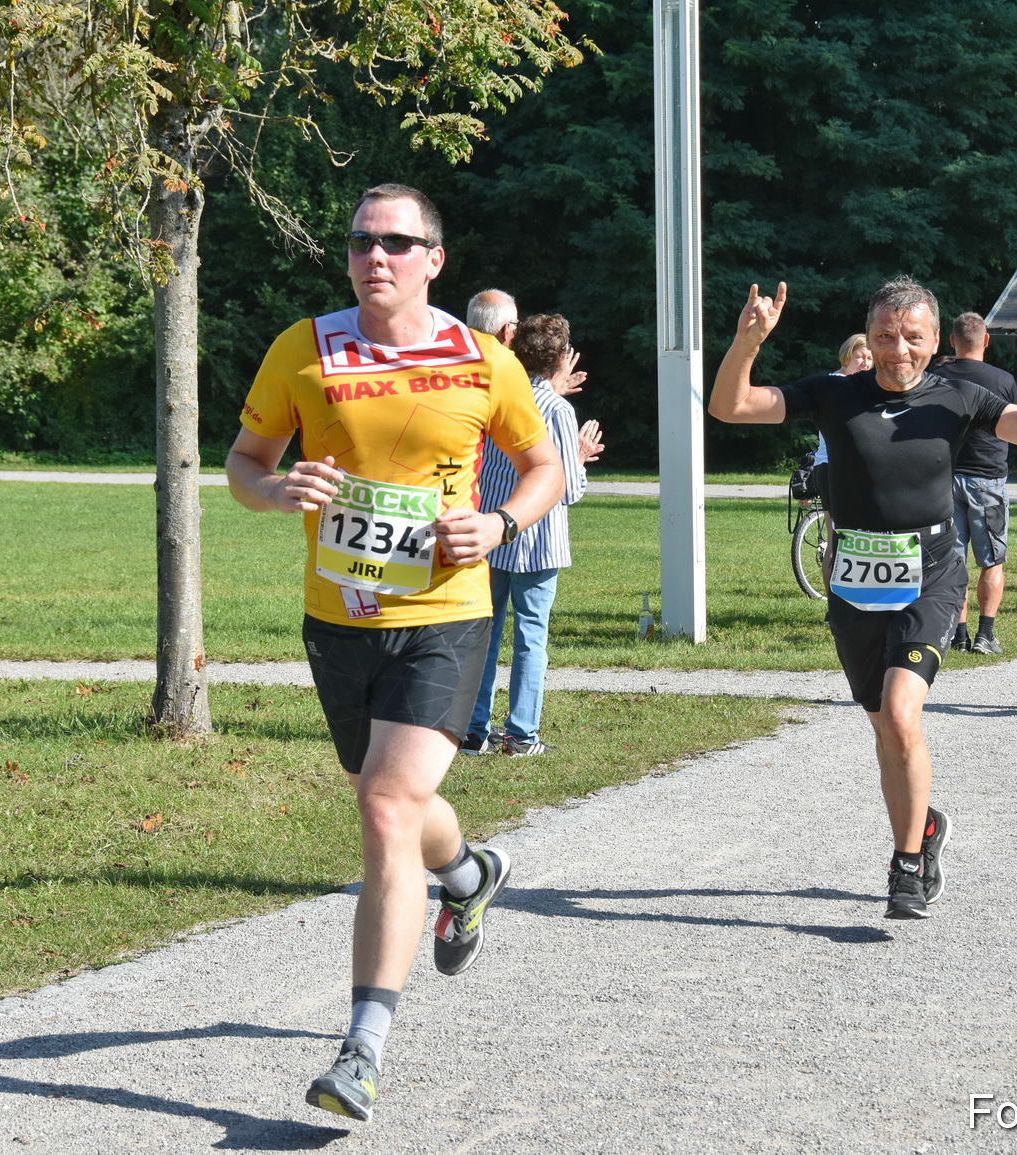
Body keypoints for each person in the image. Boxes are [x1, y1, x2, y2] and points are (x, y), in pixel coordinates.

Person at [227, 184, 565, 1123]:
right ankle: (470, 873)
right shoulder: (306, 347)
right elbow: (244, 463)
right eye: (362, 241)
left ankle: (362, 1049)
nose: (376, 256)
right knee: (392, 798)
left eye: (397, 242)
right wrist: (277, 487)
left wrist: (497, 524)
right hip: (338, 620)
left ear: (434, 260)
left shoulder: (480, 359)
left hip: (448, 612)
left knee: (384, 803)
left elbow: (545, 469)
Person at [709, 278, 1017, 920]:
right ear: (869, 337)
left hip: (931, 573)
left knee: (903, 715)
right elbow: (730, 406)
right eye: (885, 335)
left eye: (912, 336)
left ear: (935, 341)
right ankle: (925, 824)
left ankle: (906, 866)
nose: (897, 349)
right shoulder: (833, 394)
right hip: (852, 580)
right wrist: (747, 341)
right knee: (886, 727)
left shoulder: (961, 394)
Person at [463, 314, 604, 757]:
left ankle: (472, 730)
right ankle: (521, 734)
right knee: (531, 638)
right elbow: (567, 490)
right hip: (539, 541)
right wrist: (579, 456)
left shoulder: (499, 396)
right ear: (561, 358)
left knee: (484, 634)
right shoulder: (559, 411)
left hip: (494, 530)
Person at [938, 313, 1017, 655]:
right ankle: (985, 635)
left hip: (944, 478)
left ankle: (958, 634)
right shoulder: (1003, 379)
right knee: (991, 560)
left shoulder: (934, 376)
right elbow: (1015, 425)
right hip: (988, 478)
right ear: (986, 341)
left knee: (951, 561)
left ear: (951, 341)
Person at [809, 333, 873, 501]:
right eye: (859, 357)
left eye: (870, 358)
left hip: (854, 466)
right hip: (833, 466)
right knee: (841, 525)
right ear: (847, 357)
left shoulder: (860, 385)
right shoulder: (836, 384)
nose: (865, 363)